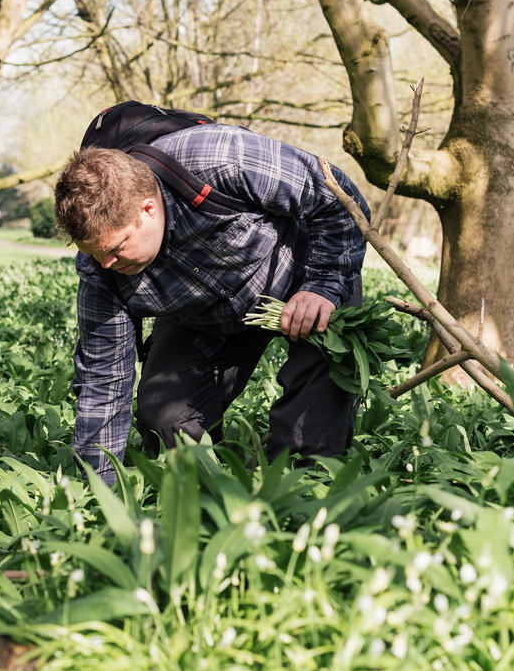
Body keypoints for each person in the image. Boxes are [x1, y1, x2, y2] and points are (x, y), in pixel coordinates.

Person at [53, 117, 370, 486]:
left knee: (309, 433)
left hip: (302, 280)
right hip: (204, 316)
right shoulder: (100, 270)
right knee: (165, 423)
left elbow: (335, 196)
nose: (107, 263)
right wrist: (97, 491)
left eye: (117, 248)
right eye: (93, 253)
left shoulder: (220, 157)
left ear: (147, 209)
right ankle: (210, 493)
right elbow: (104, 381)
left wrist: (323, 284)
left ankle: (302, 495)